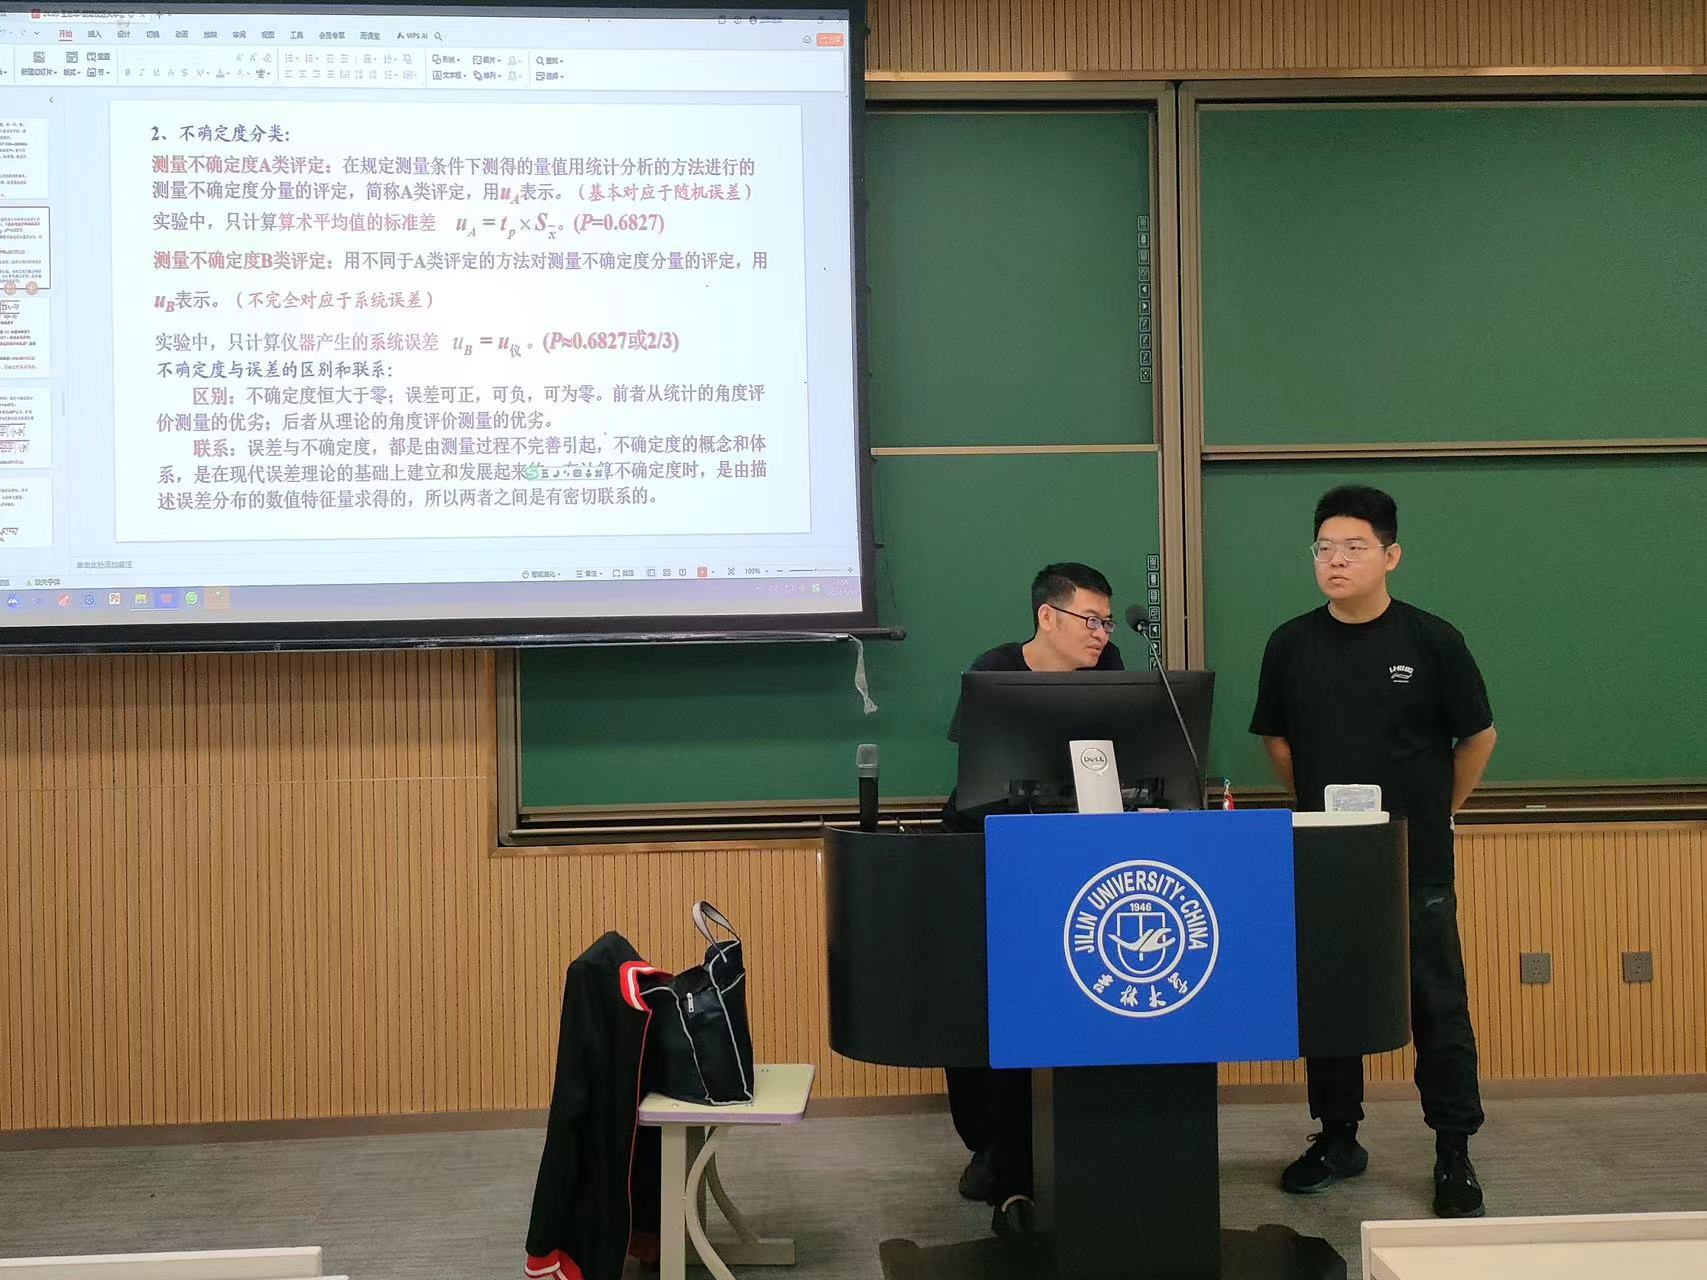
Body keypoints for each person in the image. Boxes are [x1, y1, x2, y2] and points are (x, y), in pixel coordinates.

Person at [1249, 485, 1498, 1219]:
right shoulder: (1289, 644)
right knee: (1330, 1003)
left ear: (1390, 556)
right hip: (1327, 858)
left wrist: (1436, 813)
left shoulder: (1431, 640)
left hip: (1414, 859)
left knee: (1437, 1005)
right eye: (1323, 548)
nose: (1335, 560)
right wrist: (1320, 813)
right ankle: (1337, 1137)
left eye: (1353, 547)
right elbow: (1278, 743)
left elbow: (1477, 738)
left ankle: (1452, 1148)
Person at [941, 562, 1124, 1224]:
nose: (1101, 634)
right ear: (1047, 617)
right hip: (990, 851)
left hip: (1076, 856)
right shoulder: (993, 671)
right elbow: (980, 778)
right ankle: (992, 1148)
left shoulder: (1111, 673)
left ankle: (1084, 1148)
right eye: (1090, 620)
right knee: (985, 1005)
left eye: (1107, 622)